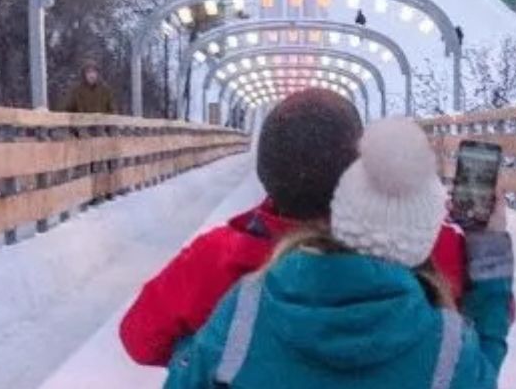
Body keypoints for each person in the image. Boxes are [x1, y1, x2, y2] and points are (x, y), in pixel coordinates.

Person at [120, 91, 472, 367]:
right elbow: (481, 325)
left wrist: (206, 355)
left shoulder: (216, 258)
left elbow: (139, 339)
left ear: (267, 169)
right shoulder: (421, 244)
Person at [164, 118, 513, 388]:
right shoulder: (446, 348)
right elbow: (483, 366)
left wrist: (189, 352)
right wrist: (488, 242)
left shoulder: (246, 311)